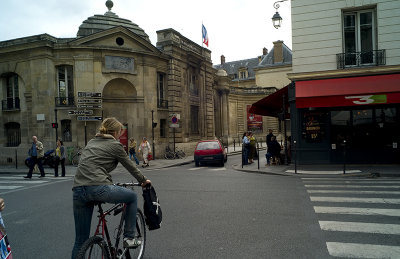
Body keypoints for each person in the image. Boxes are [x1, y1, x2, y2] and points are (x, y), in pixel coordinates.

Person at [71, 117, 151, 259]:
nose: (121, 134)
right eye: (120, 131)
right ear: (115, 132)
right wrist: (143, 180)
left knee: (80, 240)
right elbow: (130, 166)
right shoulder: (115, 145)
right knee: (132, 197)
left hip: (78, 189)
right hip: (98, 187)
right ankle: (129, 238)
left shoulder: (91, 142)